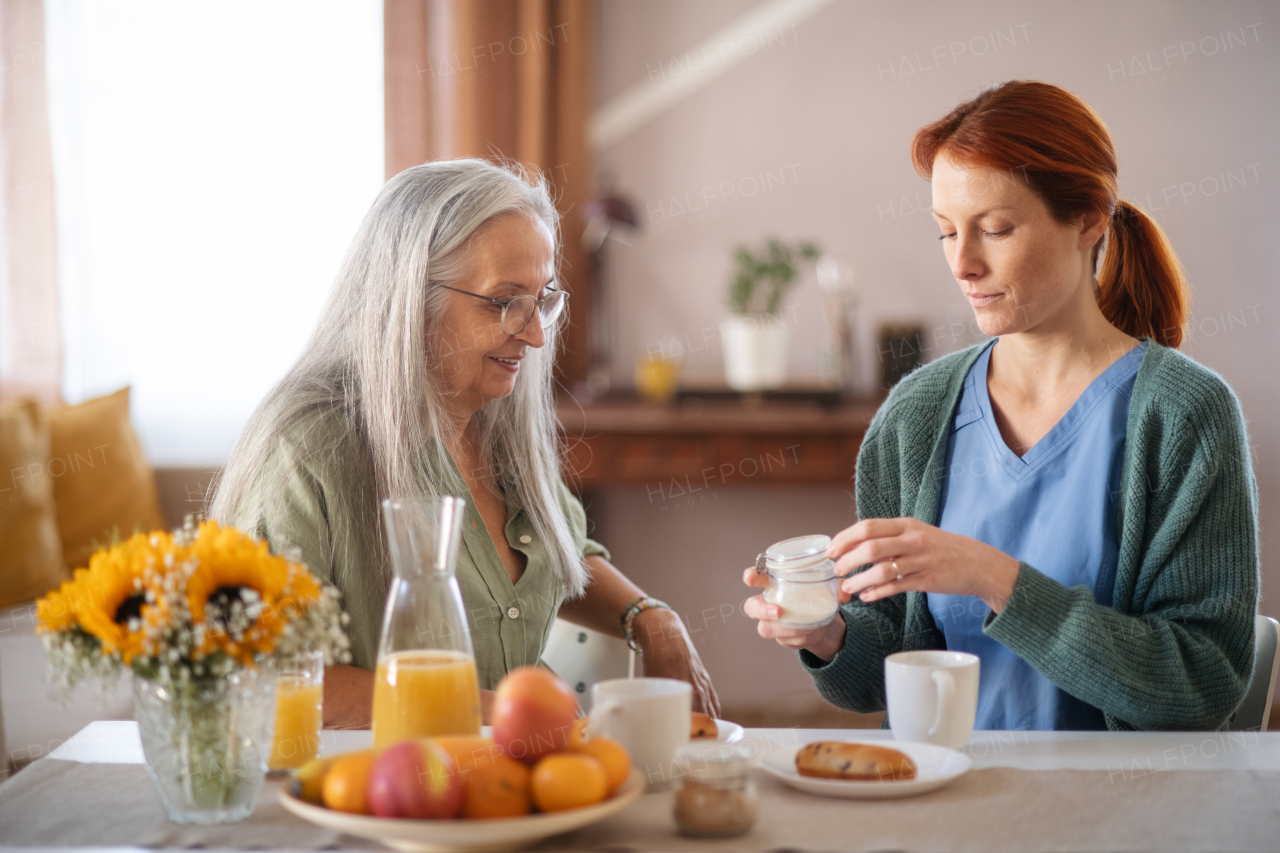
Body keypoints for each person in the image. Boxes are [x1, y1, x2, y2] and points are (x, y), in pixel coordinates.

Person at [745, 81, 1259, 731]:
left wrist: (997, 578)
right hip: (947, 804)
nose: (963, 263)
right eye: (945, 232)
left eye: (995, 229)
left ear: (1088, 222)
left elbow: (1202, 683)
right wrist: (827, 633)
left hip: (1121, 816)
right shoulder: (915, 416)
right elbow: (890, 668)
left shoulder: (1185, 415)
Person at [211, 159, 718, 727]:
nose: (534, 333)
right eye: (504, 301)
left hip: (520, 772)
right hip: (379, 789)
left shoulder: (495, 417)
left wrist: (649, 618)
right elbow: (264, 676)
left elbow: (563, 550)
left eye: (542, 298)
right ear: (409, 298)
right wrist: (488, 711)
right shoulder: (307, 447)